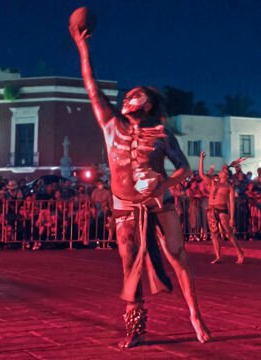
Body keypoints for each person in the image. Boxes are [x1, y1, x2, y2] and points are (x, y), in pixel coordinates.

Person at [70, 25, 210, 348]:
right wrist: (82, 47)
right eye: (127, 94)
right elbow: (91, 87)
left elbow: (186, 169)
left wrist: (165, 185)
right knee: (129, 262)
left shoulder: (161, 134)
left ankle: (195, 314)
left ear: (148, 105)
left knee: (177, 255)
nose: (129, 97)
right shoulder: (110, 125)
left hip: (160, 203)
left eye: (137, 94)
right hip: (124, 206)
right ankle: (136, 329)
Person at [198, 152, 244, 264]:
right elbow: (201, 174)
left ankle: (239, 252)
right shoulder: (213, 183)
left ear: (226, 175)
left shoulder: (229, 187)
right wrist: (201, 160)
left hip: (222, 209)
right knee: (214, 234)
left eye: (223, 171)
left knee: (228, 233)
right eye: (221, 171)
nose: (221, 172)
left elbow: (232, 203)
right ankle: (218, 256)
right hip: (211, 210)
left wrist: (232, 218)